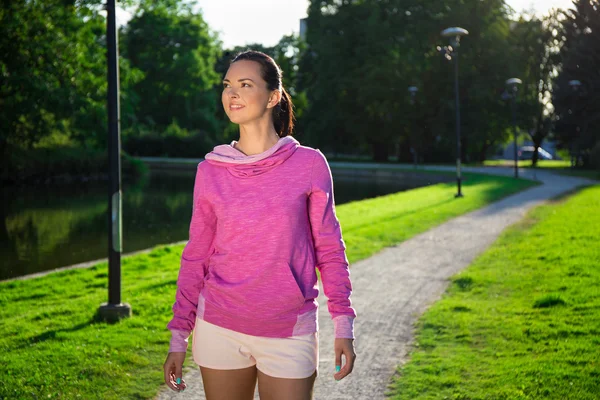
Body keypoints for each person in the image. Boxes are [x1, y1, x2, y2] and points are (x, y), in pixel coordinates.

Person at [163, 50, 357, 400]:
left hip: (288, 330)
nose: (231, 93)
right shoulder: (209, 171)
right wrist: (180, 335)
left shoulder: (309, 164)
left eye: (245, 84)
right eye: (227, 85)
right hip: (218, 327)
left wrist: (343, 324)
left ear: (273, 97)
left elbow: (329, 249)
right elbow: (196, 257)